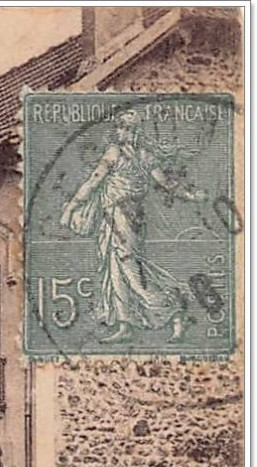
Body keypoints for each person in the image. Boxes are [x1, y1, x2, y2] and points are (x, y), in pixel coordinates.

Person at [60, 106, 204, 343]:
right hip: (114, 217)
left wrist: (191, 196)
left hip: (125, 218)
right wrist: (71, 206)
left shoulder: (129, 155)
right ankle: (125, 324)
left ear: (136, 131)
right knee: (115, 270)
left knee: (131, 270)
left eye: (126, 128)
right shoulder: (123, 154)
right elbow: (94, 182)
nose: (121, 131)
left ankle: (175, 310)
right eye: (119, 127)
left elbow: (165, 183)